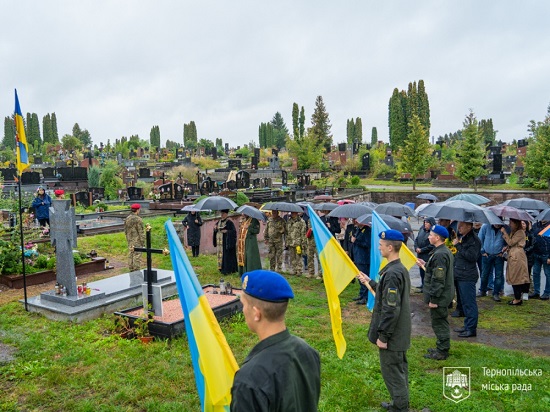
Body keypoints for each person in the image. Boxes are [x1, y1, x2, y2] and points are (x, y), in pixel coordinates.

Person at [231, 270, 321, 411]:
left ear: (256, 313)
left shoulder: (249, 379)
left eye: (244, 304)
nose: (243, 310)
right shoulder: (307, 351)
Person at [357, 230, 411, 412]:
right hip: (398, 334)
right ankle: (399, 404)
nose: (379, 247)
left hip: (393, 337)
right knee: (398, 371)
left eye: (381, 245)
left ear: (390, 247)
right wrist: (370, 282)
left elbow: (390, 309)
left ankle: (400, 408)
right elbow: (387, 293)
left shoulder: (393, 273)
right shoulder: (397, 269)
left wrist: (384, 336)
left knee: (393, 374)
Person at [416, 225, 454, 360]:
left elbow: (438, 279)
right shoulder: (441, 252)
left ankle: (442, 351)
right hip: (442, 296)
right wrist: (425, 264)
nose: (428, 237)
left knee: (439, 322)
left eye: (431, 235)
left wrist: (434, 299)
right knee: (439, 321)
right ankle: (441, 346)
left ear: (437, 238)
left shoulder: (440, 254)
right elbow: (436, 271)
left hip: (440, 297)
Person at [452, 221, 481, 338]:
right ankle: (467, 325)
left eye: (462, 226)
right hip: (460, 273)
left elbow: (472, 257)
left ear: (469, 227)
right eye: (459, 225)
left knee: (469, 303)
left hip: (467, 275)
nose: (459, 228)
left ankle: (471, 328)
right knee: (464, 302)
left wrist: (458, 246)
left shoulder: (474, 240)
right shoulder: (464, 238)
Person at [501, 219, 530, 305]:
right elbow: (511, 244)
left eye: (511, 223)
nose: (509, 224)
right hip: (514, 255)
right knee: (514, 277)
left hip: (517, 257)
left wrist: (504, 233)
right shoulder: (515, 232)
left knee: (516, 277)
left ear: (516, 224)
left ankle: (517, 299)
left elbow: (511, 242)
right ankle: (517, 297)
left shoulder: (520, 232)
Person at [477, 222, 507, 302]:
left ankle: (496, 293)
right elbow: (480, 239)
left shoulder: (504, 228)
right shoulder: (485, 226)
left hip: (498, 256)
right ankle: (482, 290)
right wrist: (482, 251)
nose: (497, 224)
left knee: (498, 275)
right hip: (487, 254)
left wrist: (503, 252)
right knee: (484, 274)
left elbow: (507, 242)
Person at [351, 219, 371, 305]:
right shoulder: (358, 229)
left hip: (363, 258)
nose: (355, 222)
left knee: (364, 277)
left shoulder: (367, 230)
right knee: (360, 277)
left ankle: (365, 297)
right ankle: (361, 294)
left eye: (357, 221)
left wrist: (356, 241)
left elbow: (367, 244)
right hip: (358, 256)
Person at [414, 217, 436, 292]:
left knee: (426, 270)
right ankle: (422, 284)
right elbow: (416, 239)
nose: (425, 224)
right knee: (421, 270)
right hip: (420, 254)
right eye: (425, 222)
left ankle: (426, 286)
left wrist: (422, 250)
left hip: (427, 254)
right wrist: (416, 247)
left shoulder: (432, 233)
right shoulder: (421, 229)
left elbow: (432, 245)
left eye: (427, 223)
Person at [529, 219, 550, 300]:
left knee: (548, 274)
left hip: (546, 254)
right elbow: (532, 236)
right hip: (536, 253)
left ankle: (547, 293)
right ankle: (536, 292)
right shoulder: (535, 225)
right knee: (535, 273)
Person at [213, 209, 238, 275]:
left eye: (223, 214)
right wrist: (215, 228)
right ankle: (221, 268)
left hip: (226, 242)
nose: (222, 215)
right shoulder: (218, 222)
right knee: (221, 256)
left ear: (226, 214)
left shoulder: (229, 222)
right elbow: (216, 230)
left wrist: (227, 231)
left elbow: (234, 232)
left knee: (226, 256)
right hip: (220, 243)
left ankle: (227, 270)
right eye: (221, 213)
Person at [124, 204, 145, 272]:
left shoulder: (127, 218)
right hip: (137, 240)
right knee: (137, 256)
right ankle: (136, 270)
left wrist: (128, 239)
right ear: (138, 210)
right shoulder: (138, 219)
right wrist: (143, 242)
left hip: (130, 240)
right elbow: (141, 232)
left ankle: (131, 269)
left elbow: (125, 230)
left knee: (131, 254)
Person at [286, 211, 306, 276]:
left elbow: (303, 233)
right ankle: (294, 270)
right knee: (292, 257)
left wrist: (303, 243)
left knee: (298, 257)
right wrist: (287, 241)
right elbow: (287, 232)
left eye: (294, 213)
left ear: (297, 213)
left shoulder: (301, 221)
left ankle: (299, 271)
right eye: (291, 213)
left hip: (298, 242)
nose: (292, 214)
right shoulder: (289, 221)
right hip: (291, 242)